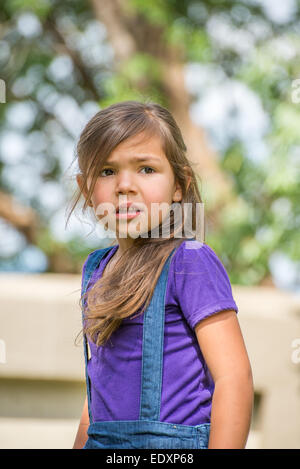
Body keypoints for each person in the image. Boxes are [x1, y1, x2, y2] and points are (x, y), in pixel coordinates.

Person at [70, 100, 253, 449]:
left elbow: (234, 378)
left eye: (146, 169)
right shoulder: (96, 269)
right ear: (86, 190)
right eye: (107, 172)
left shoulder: (190, 262)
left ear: (179, 185)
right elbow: (98, 391)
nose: (125, 185)